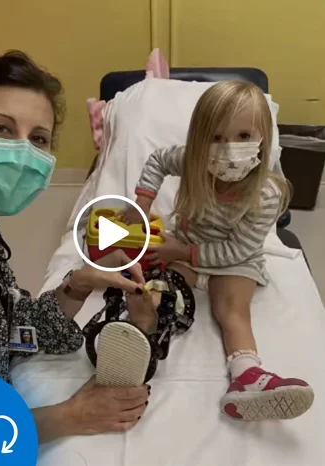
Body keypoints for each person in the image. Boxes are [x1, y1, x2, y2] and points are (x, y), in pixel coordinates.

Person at [0, 50, 155, 442]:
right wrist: (73, 415)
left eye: (38, 138)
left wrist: (77, 286)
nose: (22, 153)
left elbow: (10, 328)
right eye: (2, 128)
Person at [122, 80, 314, 421]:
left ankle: (248, 376)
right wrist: (141, 206)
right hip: (183, 248)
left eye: (243, 136)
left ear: (263, 139)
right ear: (199, 140)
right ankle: (141, 341)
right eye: (216, 137)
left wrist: (181, 251)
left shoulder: (266, 193)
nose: (228, 150)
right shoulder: (192, 162)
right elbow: (156, 162)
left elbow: (239, 249)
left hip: (235, 260)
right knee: (163, 292)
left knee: (232, 310)